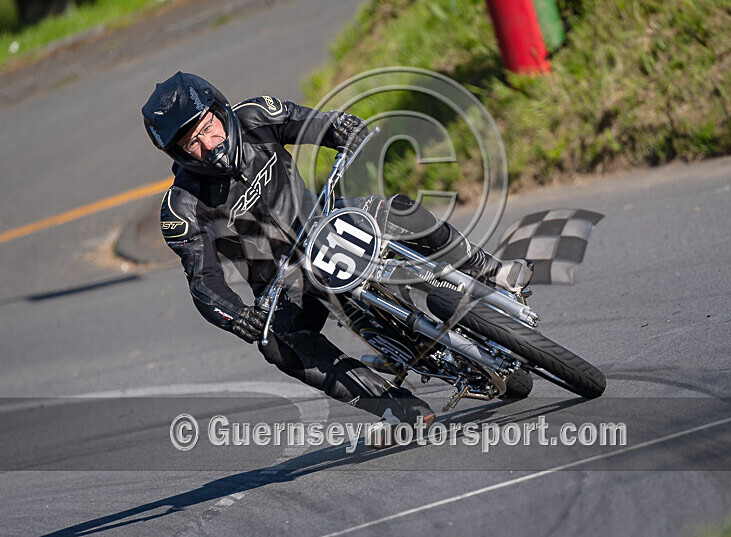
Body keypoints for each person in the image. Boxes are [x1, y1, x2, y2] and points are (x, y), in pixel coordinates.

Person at [142, 72, 532, 437]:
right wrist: (236, 315)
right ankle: (393, 405)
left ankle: (488, 271)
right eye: (192, 142)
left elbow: (312, 123)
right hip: (284, 282)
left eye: (208, 127)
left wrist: (339, 128)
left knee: (399, 209)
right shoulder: (181, 208)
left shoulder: (256, 115)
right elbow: (204, 282)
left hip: (327, 221)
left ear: (220, 110)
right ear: (178, 153)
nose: (209, 145)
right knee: (276, 344)